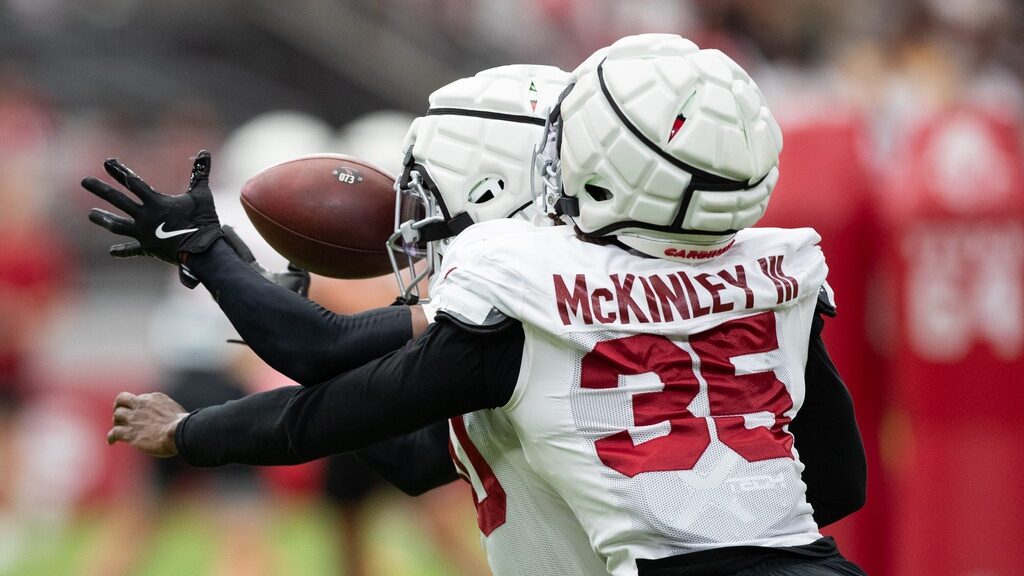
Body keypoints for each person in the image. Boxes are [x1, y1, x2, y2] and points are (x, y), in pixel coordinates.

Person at [86, 38, 866, 576]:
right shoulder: (773, 269)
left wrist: (191, 428)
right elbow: (837, 485)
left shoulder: (533, 291)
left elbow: (327, 377)